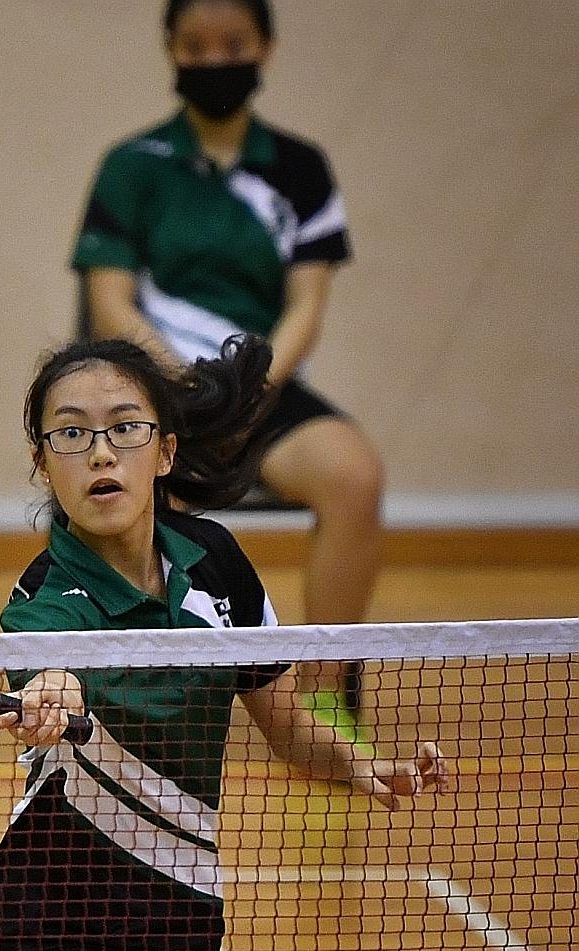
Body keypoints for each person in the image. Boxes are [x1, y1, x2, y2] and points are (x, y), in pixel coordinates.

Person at [0, 337, 448, 951]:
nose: (100, 453)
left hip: (177, 930)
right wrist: (53, 692)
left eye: (124, 428)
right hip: (49, 932)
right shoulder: (44, 598)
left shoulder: (217, 562)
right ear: (44, 465)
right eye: (70, 433)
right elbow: (48, 667)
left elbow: (287, 728)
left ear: (164, 452)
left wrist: (362, 764)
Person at [71, 0, 380, 718]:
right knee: (130, 494)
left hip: (263, 392)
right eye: (196, 45)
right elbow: (110, 303)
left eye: (233, 43)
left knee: (355, 476)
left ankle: (326, 695)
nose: (215, 60)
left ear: (266, 49)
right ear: (172, 51)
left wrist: (246, 391)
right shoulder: (130, 166)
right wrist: (180, 389)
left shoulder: (300, 169)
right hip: (161, 392)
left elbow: (307, 304)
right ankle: (159, 693)